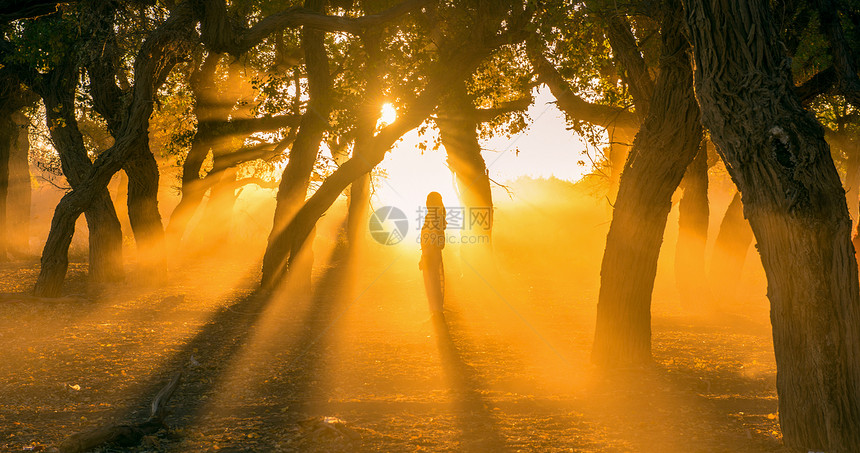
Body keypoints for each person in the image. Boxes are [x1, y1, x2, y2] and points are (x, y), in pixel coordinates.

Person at [420, 192, 446, 314]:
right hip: (432, 251)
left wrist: (426, 254)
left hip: (431, 251)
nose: (426, 203)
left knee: (432, 280)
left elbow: (431, 235)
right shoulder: (437, 215)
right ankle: (436, 310)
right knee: (433, 279)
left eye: (428, 200)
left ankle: (436, 311)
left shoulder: (434, 216)